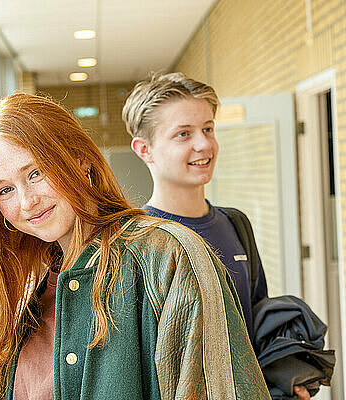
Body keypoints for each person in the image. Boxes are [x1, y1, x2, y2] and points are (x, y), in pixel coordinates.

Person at [0, 92, 270, 400]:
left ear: (80, 160)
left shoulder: (167, 256)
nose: (27, 202)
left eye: (36, 173)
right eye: (5, 190)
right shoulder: (19, 289)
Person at [122, 72, 310, 400]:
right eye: (183, 134)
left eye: (208, 128)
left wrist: (283, 381)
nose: (204, 144)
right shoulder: (134, 243)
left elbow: (254, 324)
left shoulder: (235, 223)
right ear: (145, 150)